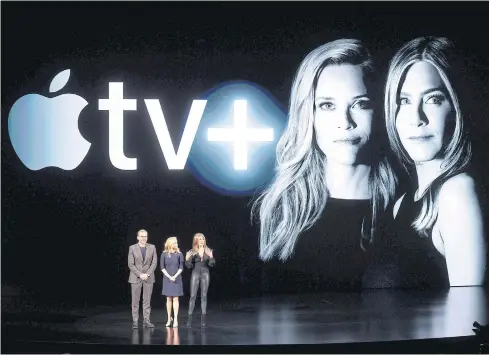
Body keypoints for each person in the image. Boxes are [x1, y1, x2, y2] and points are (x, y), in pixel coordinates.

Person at [251, 39, 397, 292]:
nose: (345, 122)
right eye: (327, 105)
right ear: (308, 115)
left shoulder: (404, 206)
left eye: (360, 103)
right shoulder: (278, 211)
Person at [383, 36, 486, 287]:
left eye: (433, 99)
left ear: (456, 106)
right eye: (404, 101)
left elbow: (469, 318)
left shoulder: (457, 193)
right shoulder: (403, 203)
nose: (416, 118)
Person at [128, 229, 157, 328]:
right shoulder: (132, 248)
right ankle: (135, 321)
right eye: (142, 236)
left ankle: (146, 320)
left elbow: (154, 263)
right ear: (138, 237)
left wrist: (147, 274)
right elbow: (130, 264)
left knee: (147, 301)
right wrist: (140, 274)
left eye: (145, 236)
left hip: (149, 278)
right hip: (136, 277)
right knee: (135, 301)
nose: (144, 238)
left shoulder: (152, 247)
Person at [185, 233, 215, 327]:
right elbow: (189, 266)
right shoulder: (192, 251)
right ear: (196, 240)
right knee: (193, 296)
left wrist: (211, 257)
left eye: (203, 239)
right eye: (200, 239)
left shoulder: (208, 250)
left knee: (204, 296)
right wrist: (186, 259)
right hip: (195, 273)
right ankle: (189, 320)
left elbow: (211, 264)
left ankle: (203, 321)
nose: (202, 240)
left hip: (205, 273)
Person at [161, 236, 184, 327]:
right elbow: (162, 267)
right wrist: (169, 277)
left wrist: (174, 276)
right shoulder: (164, 254)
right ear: (170, 243)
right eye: (175, 242)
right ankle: (168, 318)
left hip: (177, 278)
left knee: (175, 298)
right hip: (167, 279)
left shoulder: (179, 254)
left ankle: (175, 319)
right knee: (168, 299)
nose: (176, 244)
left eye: (176, 242)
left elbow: (181, 267)